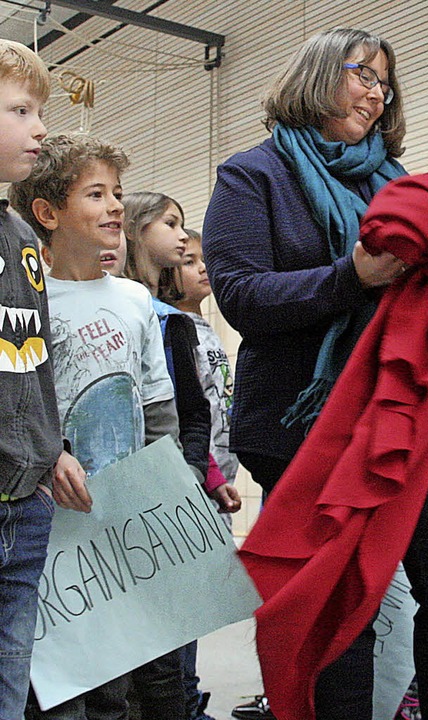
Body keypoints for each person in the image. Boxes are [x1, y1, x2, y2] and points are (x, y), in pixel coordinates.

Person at [203, 28, 428, 720]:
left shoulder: (399, 183)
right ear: (317, 73)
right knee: (338, 609)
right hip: (308, 424)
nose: (375, 92)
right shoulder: (254, 174)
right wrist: (351, 276)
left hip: (412, 412)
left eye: (383, 83)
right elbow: (240, 296)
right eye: (362, 74)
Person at [9, 133, 179, 719]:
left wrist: (165, 485)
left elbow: (157, 404)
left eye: (119, 194)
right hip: (51, 517)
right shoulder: (30, 298)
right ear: (48, 213)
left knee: (117, 685)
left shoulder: (134, 299)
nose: (115, 207)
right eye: (96, 194)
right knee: (55, 686)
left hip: (122, 517)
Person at [123, 192, 239, 720]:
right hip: (127, 488)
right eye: (170, 225)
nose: (182, 237)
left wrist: (200, 472)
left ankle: (184, 703)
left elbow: (196, 411)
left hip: (183, 482)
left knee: (180, 619)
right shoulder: (135, 308)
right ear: (136, 228)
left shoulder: (177, 324)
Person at [0, 40, 85, 720]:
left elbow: (35, 360)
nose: (40, 128)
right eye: (21, 110)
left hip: (26, 495)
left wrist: (52, 445)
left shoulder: (23, 238)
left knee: (12, 664)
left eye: (40, 111)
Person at [171, 229, 239, 510]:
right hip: (200, 474)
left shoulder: (205, 327)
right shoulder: (176, 327)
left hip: (222, 476)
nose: (202, 267)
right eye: (189, 261)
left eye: (204, 259)